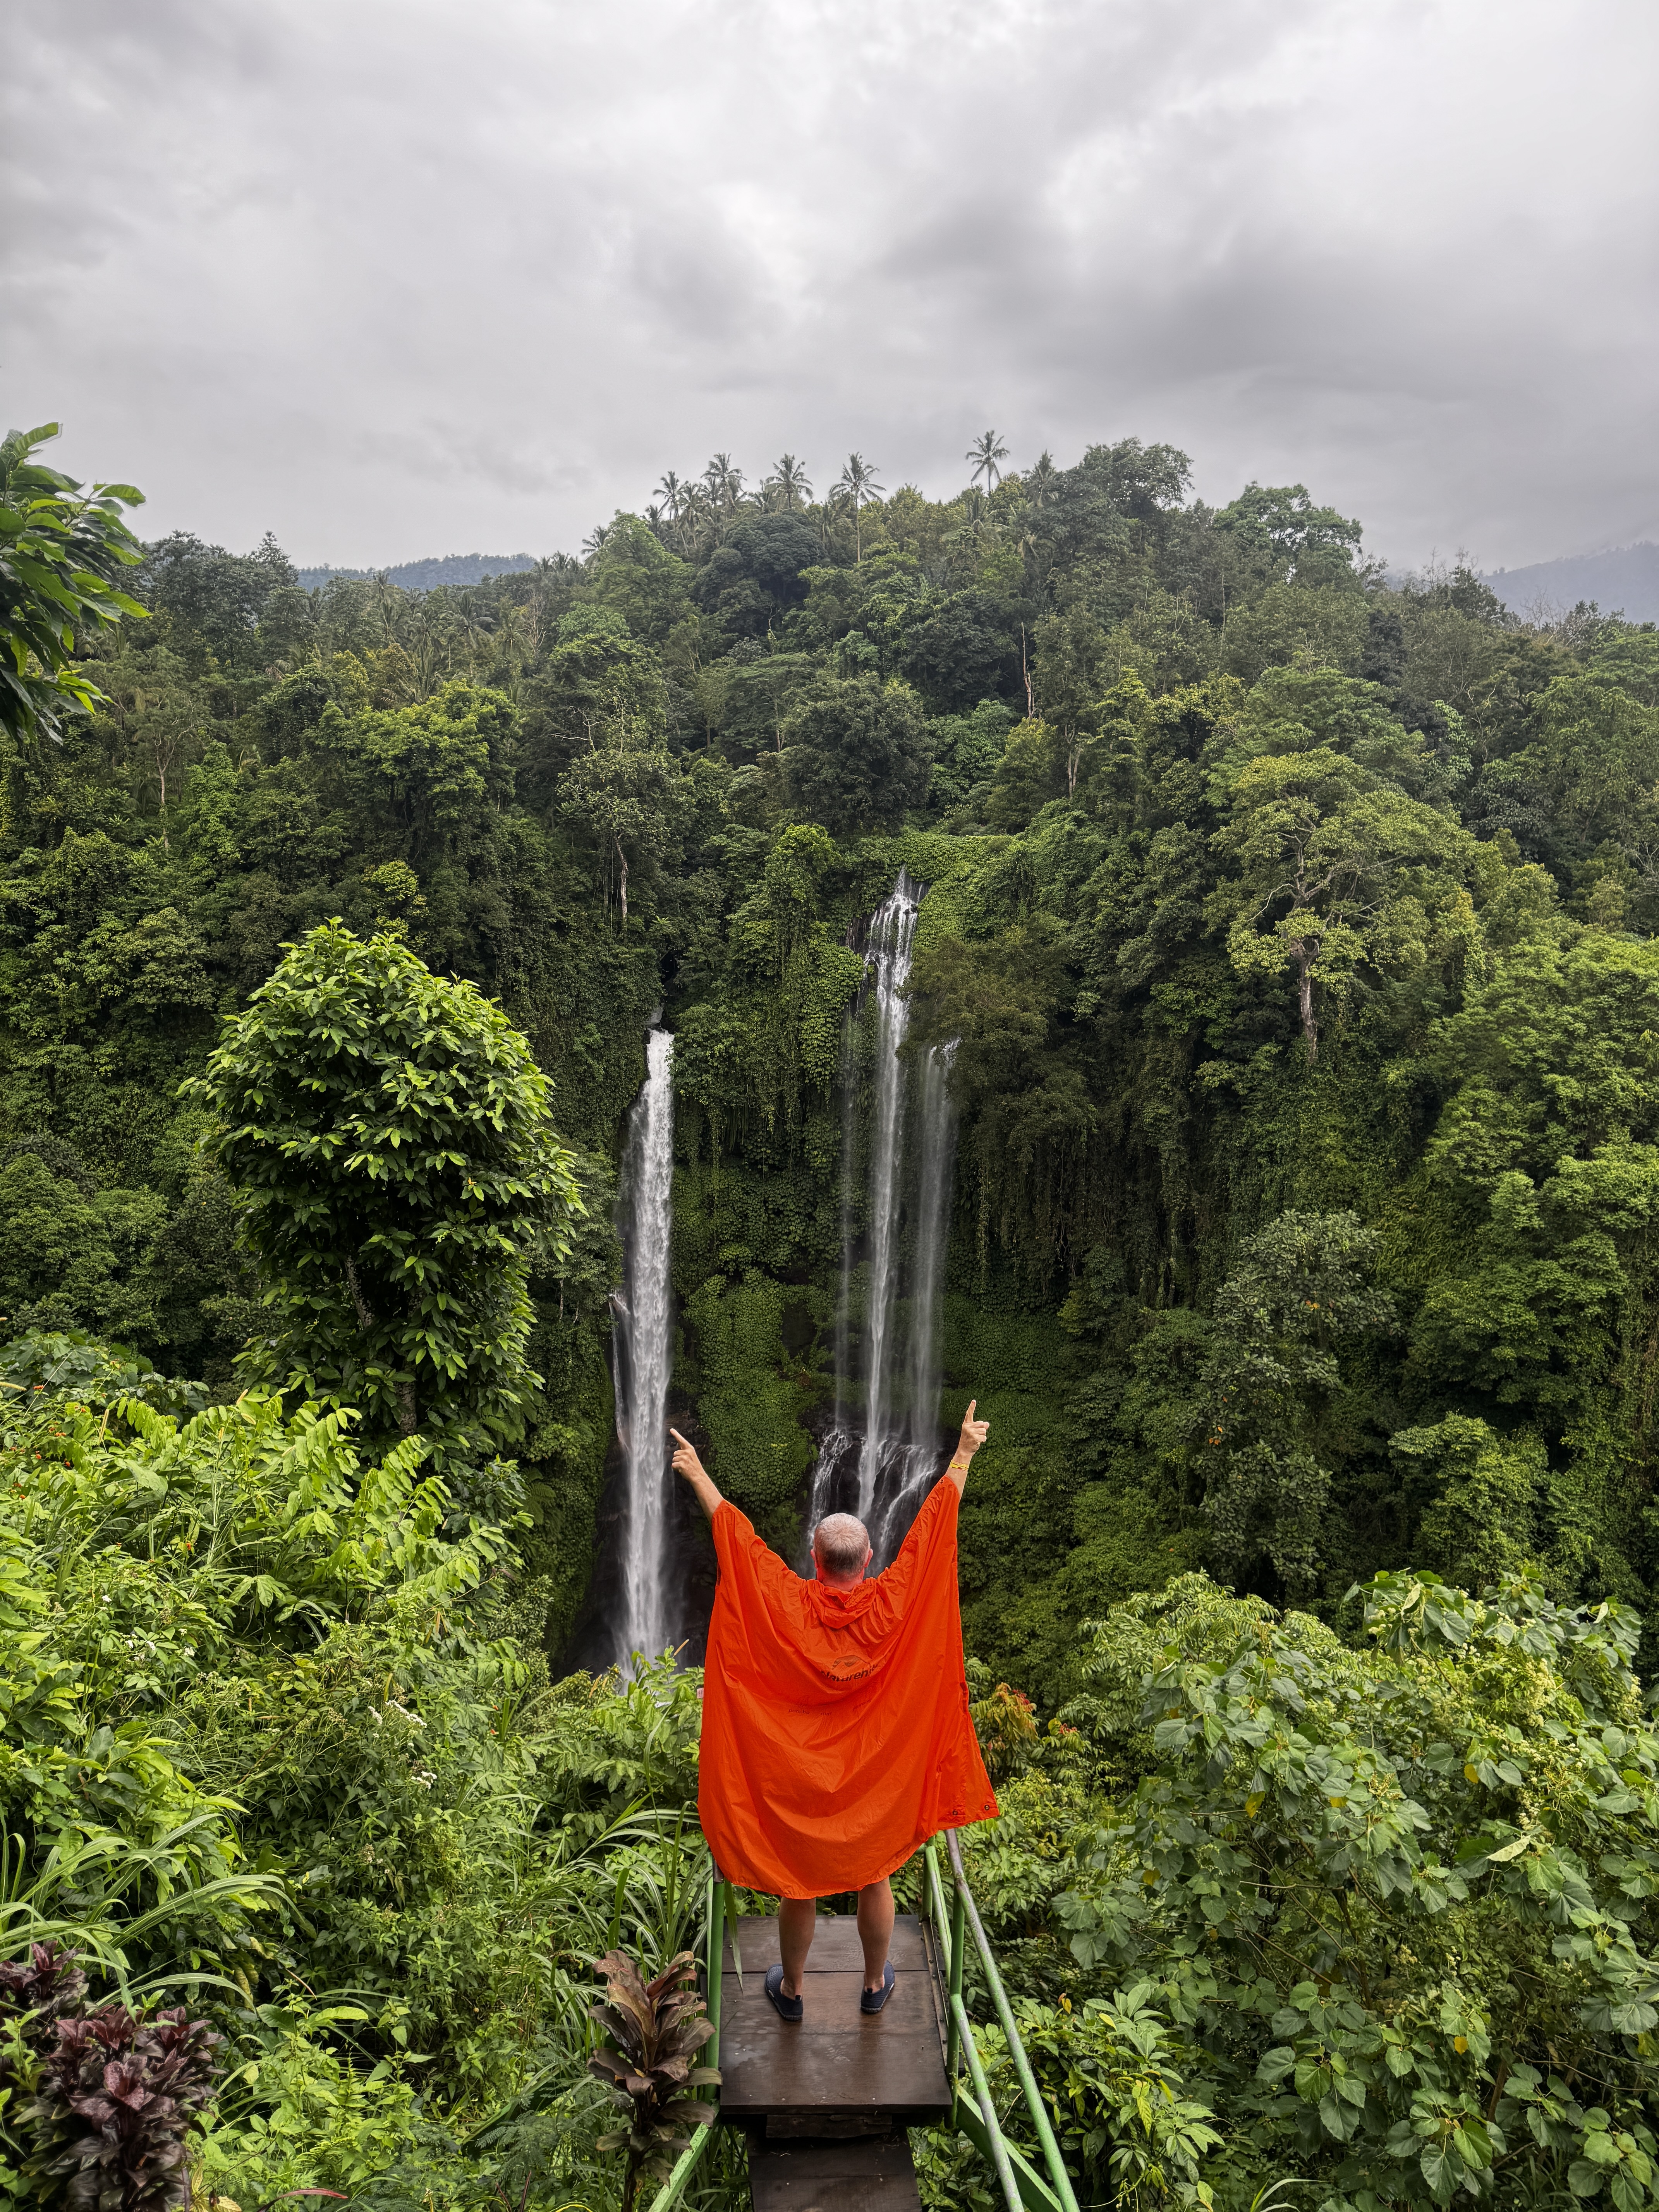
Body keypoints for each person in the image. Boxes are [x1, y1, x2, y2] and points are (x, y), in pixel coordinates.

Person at [670, 1402, 996, 2023]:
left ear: (815, 1562)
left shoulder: (789, 1604)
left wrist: (696, 1473)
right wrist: (964, 1453)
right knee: (876, 1874)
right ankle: (875, 1984)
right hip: (878, 1782)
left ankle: (791, 1992)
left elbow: (738, 1540)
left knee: (800, 1885)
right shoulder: (894, 1604)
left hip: (799, 1787)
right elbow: (932, 1534)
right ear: (868, 1558)